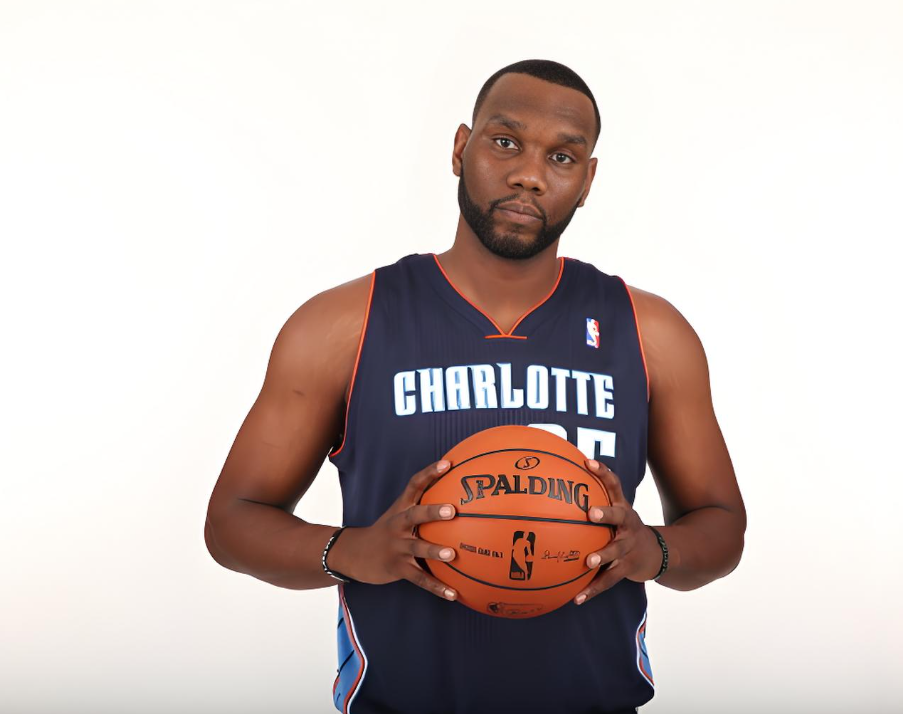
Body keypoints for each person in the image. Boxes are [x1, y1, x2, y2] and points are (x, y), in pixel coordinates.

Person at [204, 58, 747, 714]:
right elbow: (232, 521)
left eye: (562, 157)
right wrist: (350, 550)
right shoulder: (344, 324)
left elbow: (721, 525)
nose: (529, 174)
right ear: (461, 148)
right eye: (506, 142)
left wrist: (652, 550)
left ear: (587, 180)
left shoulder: (648, 332)